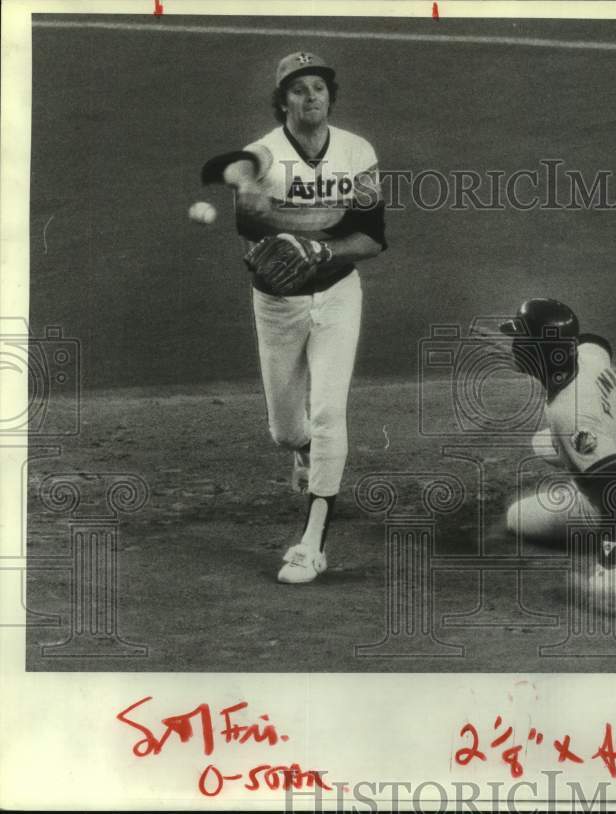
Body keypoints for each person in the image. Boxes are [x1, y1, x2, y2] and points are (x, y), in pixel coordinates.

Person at [222, 51, 387, 583]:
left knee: (329, 412)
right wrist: (267, 218)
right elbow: (251, 226)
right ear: (283, 100)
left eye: (318, 87)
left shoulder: (358, 152)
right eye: (298, 89)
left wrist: (323, 252)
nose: (310, 96)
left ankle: (312, 541)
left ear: (330, 96)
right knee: (286, 428)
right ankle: (305, 452)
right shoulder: (260, 156)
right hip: (278, 303)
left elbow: (370, 236)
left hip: (339, 294)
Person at [499, 299, 616, 596]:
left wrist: (608, 567)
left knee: (516, 517)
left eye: (521, 341)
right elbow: (597, 342)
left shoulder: (570, 416)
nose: (514, 346)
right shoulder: (588, 358)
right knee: (543, 443)